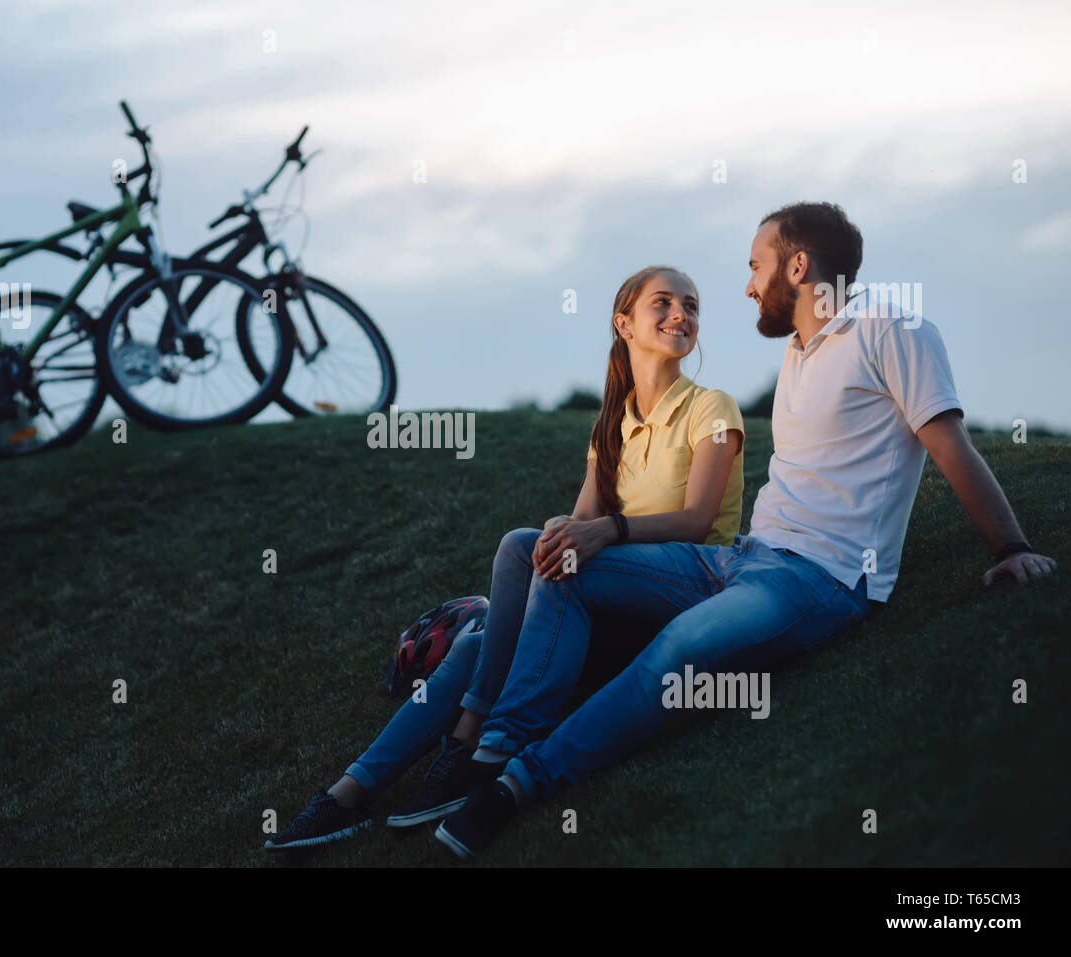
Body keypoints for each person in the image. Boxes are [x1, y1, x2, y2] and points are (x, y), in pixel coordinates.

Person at [433, 201, 1059, 860]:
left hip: (820, 576)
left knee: (680, 647)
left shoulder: (893, 329)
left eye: (757, 266)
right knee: (563, 564)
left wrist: (1011, 547)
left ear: (797, 264)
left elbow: (949, 444)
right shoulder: (799, 349)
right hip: (739, 558)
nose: (749, 285)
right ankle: (496, 745)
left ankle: (517, 783)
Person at [265, 265, 746, 850]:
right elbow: (575, 525)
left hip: (691, 587)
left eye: (691, 306)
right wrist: (560, 530)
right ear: (624, 323)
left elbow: (699, 520)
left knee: (539, 554)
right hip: (614, 600)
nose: (681, 314)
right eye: (663, 302)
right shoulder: (608, 429)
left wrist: (606, 531)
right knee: (492, 609)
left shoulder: (712, 407)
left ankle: (485, 745)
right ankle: (348, 794)